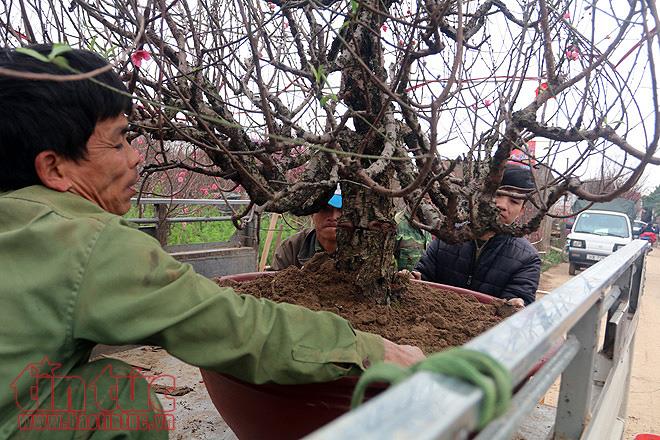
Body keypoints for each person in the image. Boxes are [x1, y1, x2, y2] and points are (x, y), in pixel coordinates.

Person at [0, 45, 423, 438]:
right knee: (114, 395)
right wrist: (369, 350)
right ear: (53, 168)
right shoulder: (82, 241)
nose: (135, 156)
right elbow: (234, 327)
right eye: (119, 139)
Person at [414, 164, 541, 307]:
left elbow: (519, 300)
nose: (502, 205)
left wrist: (517, 304)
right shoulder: (449, 236)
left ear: (522, 210)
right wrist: (414, 279)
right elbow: (423, 277)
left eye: (514, 201)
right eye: (497, 194)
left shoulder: (527, 259)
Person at [271, 186, 342, 270]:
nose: (334, 217)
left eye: (341, 210)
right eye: (325, 209)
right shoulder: (291, 249)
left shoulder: (360, 249)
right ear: (312, 213)